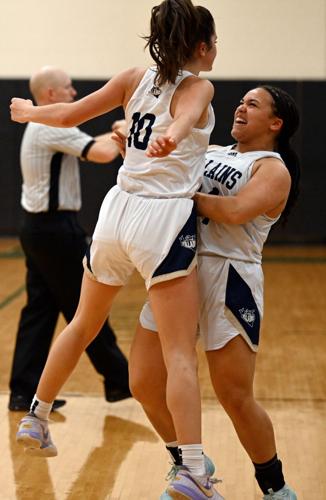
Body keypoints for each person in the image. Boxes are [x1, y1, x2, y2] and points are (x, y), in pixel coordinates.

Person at [11, 1, 222, 498]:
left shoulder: (132, 76)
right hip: (162, 217)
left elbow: (67, 114)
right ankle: (193, 468)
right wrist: (172, 134)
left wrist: (29, 112)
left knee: (83, 322)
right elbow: (187, 116)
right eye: (213, 42)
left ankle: (36, 416)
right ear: (199, 46)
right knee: (178, 353)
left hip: (116, 212)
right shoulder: (199, 84)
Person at [127, 85, 300, 500]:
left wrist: (180, 195)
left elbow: (235, 211)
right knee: (144, 381)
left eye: (252, 104)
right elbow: (161, 176)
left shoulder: (272, 169)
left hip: (229, 277)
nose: (240, 107)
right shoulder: (212, 150)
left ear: (275, 124)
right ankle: (188, 462)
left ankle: (274, 487)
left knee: (234, 395)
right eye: (241, 101)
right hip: (177, 266)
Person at [8, 66, 131, 413]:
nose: (74, 93)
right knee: (86, 307)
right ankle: (121, 380)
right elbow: (103, 153)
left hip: (39, 229)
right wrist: (124, 128)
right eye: (67, 88)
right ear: (50, 95)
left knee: (40, 311)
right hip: (54, 232)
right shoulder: (48, 125)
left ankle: (22, 392)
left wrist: (120, 131)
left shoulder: (42, 125)